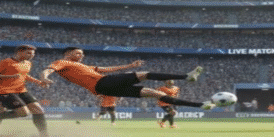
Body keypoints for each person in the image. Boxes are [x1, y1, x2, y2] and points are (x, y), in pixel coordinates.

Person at [40, 47, 215, 110]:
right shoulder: (63, 62)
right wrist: (44, 78)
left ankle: (201, 105)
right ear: (68, 53)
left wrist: (129, 66)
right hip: (102, 83)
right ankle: (186, 76)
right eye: (78, 53)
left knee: (156, 94)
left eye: (82, 54)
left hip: (103, 86)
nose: (81, 55)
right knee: (145, 74)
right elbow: (48, 69)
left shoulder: (84, 66)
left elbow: (106, 69)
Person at [0, 45, 48, 137]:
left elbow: (24, 75)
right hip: (5, 91)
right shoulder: (5, 62)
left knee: (38, 109)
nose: (32, 55)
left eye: (33, 54)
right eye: (29, 53)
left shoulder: (28, 63)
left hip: (21, 90)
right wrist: (8, 76)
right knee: (24, 113)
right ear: (19, 52)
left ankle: (44, 136)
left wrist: (38, 82)